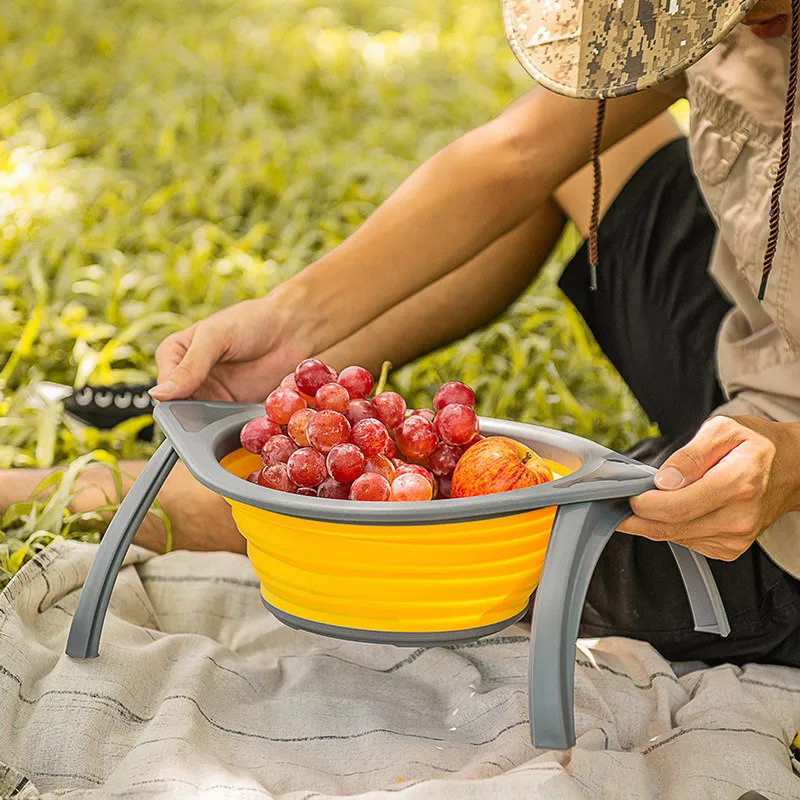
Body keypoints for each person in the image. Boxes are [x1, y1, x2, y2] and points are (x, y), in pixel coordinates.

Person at [4, 0, 800, 666]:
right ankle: (275, 402)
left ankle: (27, 488)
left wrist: (788, 466)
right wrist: (293, 324)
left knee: (369, 523)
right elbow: (517, 153)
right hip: (762, 333)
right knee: (588, 137)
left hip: (778, 521)